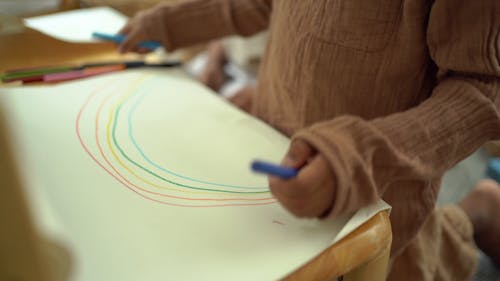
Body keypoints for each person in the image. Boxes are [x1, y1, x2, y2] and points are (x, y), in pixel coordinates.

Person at [117, 1, 500, 280]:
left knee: (402, 264)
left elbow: (481, 92)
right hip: (272, 155)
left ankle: (476, 211)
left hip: (374, 189)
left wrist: (360, 155)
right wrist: (167, 23)